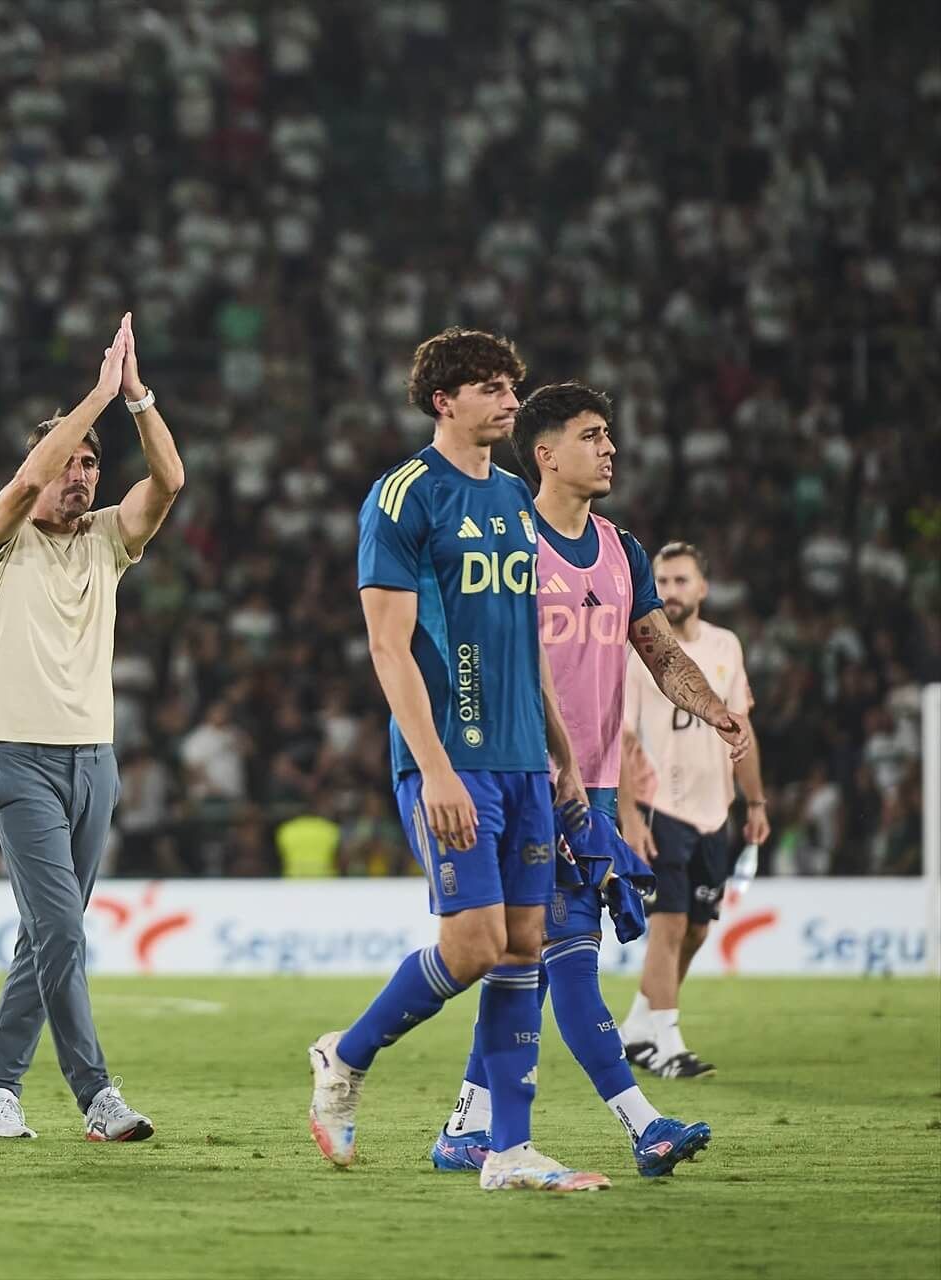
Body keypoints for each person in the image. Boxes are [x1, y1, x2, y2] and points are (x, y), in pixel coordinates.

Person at [310, 327, 605, 1192]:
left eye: (513, 384)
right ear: (445, 401)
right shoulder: (404, 497)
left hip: (523, 759)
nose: (511, 398)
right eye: (490, 386)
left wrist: (563, 755)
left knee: (525, 942)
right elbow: (388, 646)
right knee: (472, 945)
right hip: (451, 758)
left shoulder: (518, 498)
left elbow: (527, 642)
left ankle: (509, 1153)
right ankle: (346, 1055)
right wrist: (435, 768)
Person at [432, 382, 747, 1177]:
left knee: (527, 966)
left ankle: (467, 1127)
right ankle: (642, 1126)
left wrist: (713, 709)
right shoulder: (507, 540)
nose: (609, 448)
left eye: (609, 435)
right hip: (523, 777)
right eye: (592, 435)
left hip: (593, 784)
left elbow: (658, 649)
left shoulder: (621, 548)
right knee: (566, 955)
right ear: (545, 453)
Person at [0, 312, 182, 1144]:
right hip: (16, 757)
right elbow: (24, 485)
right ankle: (97, 1095)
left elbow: (169, 480)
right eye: (70, 463)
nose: (82, 476)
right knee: (60, 930)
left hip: (95, 761)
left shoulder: (106, 542)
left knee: (43, 937)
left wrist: (135, 400)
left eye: (92, 465)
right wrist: (90, 397)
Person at [618, 542, 769, 1077]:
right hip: (662, 806)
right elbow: (623, 737)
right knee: (669, 924)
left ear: (703, 588)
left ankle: (637, 1026)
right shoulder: (640, 653)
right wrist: (630, 815)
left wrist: (754, 801)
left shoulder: (726, 646)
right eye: (660, 581)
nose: (669, 591)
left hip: (714, 810)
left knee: (698, 929)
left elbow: (741, 728)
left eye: (682, 581)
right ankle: (668, 1044)